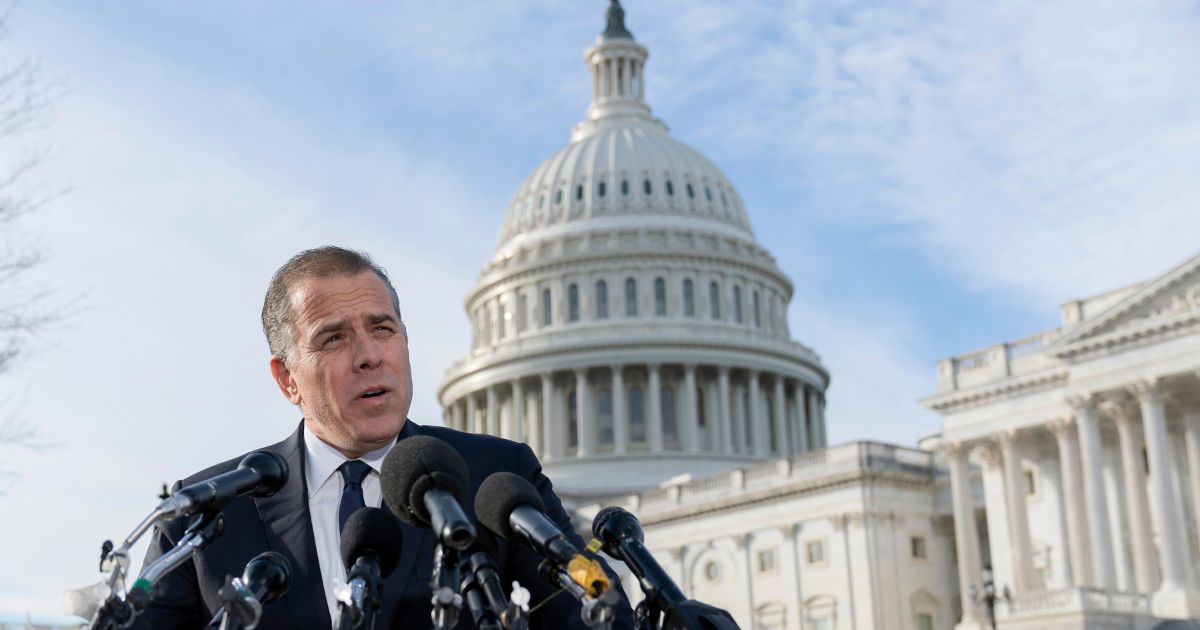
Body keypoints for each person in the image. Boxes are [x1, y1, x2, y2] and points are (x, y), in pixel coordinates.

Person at [133, 246, 634, 629]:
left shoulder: (497, 479)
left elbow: (598, 616)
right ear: (287, 379)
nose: (370, 355)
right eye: (334, 338)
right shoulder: (209, 512)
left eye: (383, 329)